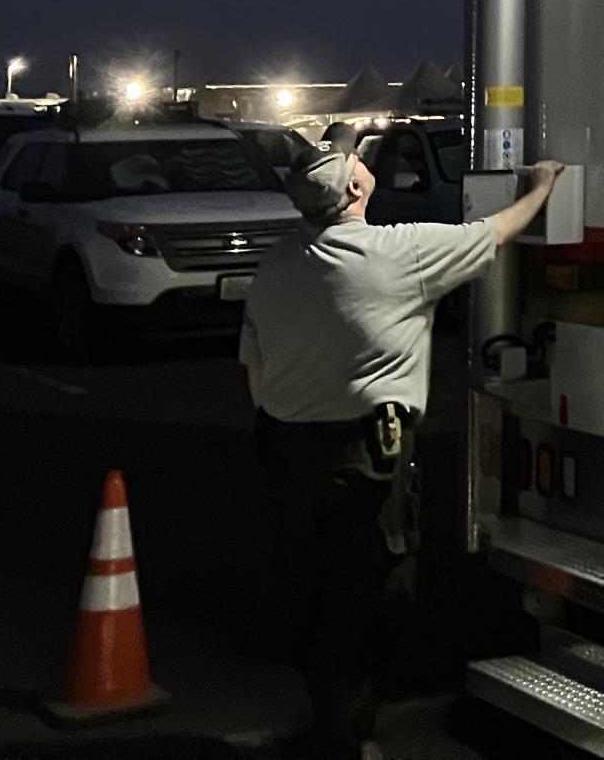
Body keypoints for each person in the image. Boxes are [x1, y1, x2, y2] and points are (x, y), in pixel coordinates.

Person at [240, 146, 565, 759]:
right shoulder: (401, 252)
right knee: (374, 590)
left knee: (309, 587)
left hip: (289, 450)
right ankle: (346, 735)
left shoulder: (278, 263)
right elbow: (497, 232)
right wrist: (543, 187)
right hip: (367, 457)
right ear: (356, 193)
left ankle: (334, 718)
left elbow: (255, 367)